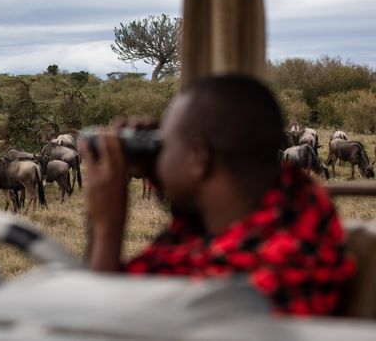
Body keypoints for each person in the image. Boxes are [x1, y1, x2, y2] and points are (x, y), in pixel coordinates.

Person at [80, 75, 355, 316]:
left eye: (167, 144)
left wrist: (106, 227)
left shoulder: (235, 287)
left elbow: (99, 324)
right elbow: (200, 219)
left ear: (199, 157)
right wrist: (166, 171)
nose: (161, 154)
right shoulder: (300, 207)